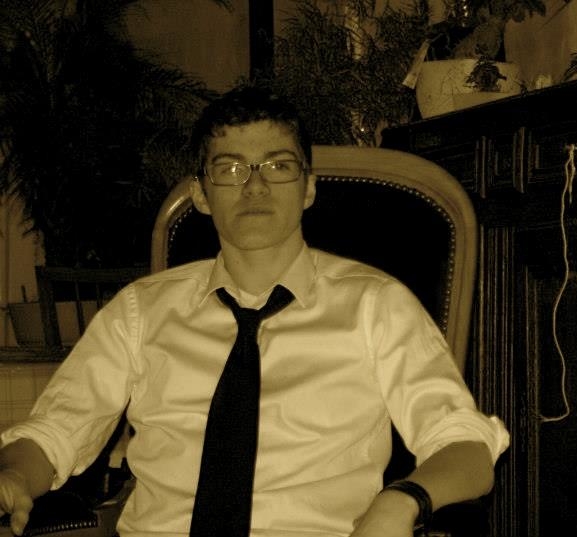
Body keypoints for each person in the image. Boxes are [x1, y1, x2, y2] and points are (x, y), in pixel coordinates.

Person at [0, 85, 509, 537]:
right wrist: (15, 477)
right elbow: (53, 433)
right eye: (231, 169)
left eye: (279, 166)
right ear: (201, 194)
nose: (255, 186)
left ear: (308, 188)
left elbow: (465, 448)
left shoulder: (377, 305)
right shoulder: (139, 312)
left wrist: (404, 500)